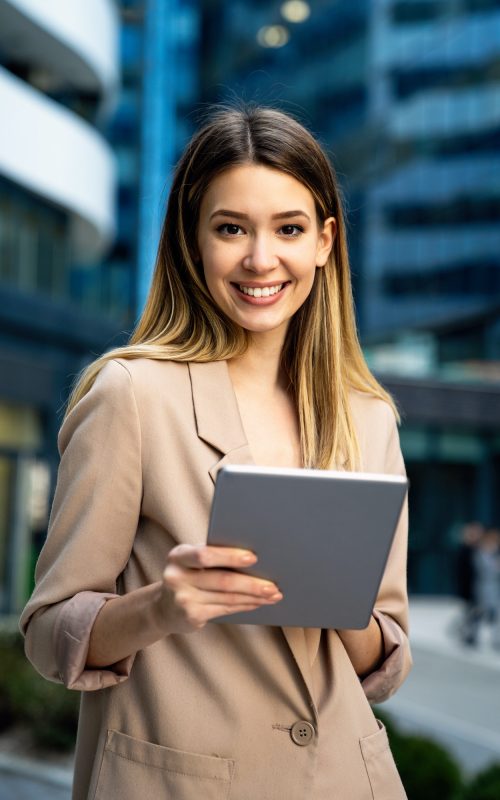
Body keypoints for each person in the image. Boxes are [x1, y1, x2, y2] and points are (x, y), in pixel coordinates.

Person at [20, 105, 411, 800]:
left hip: (348, 778)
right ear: (192, 239)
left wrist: (339, 601)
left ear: (325, 241)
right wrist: (161, 609)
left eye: (288, 229)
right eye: (231, 228)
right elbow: (48, 635)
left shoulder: (369, 416)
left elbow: (387, 652)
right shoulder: (131, 395)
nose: (261, 260)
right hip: (181, 783)